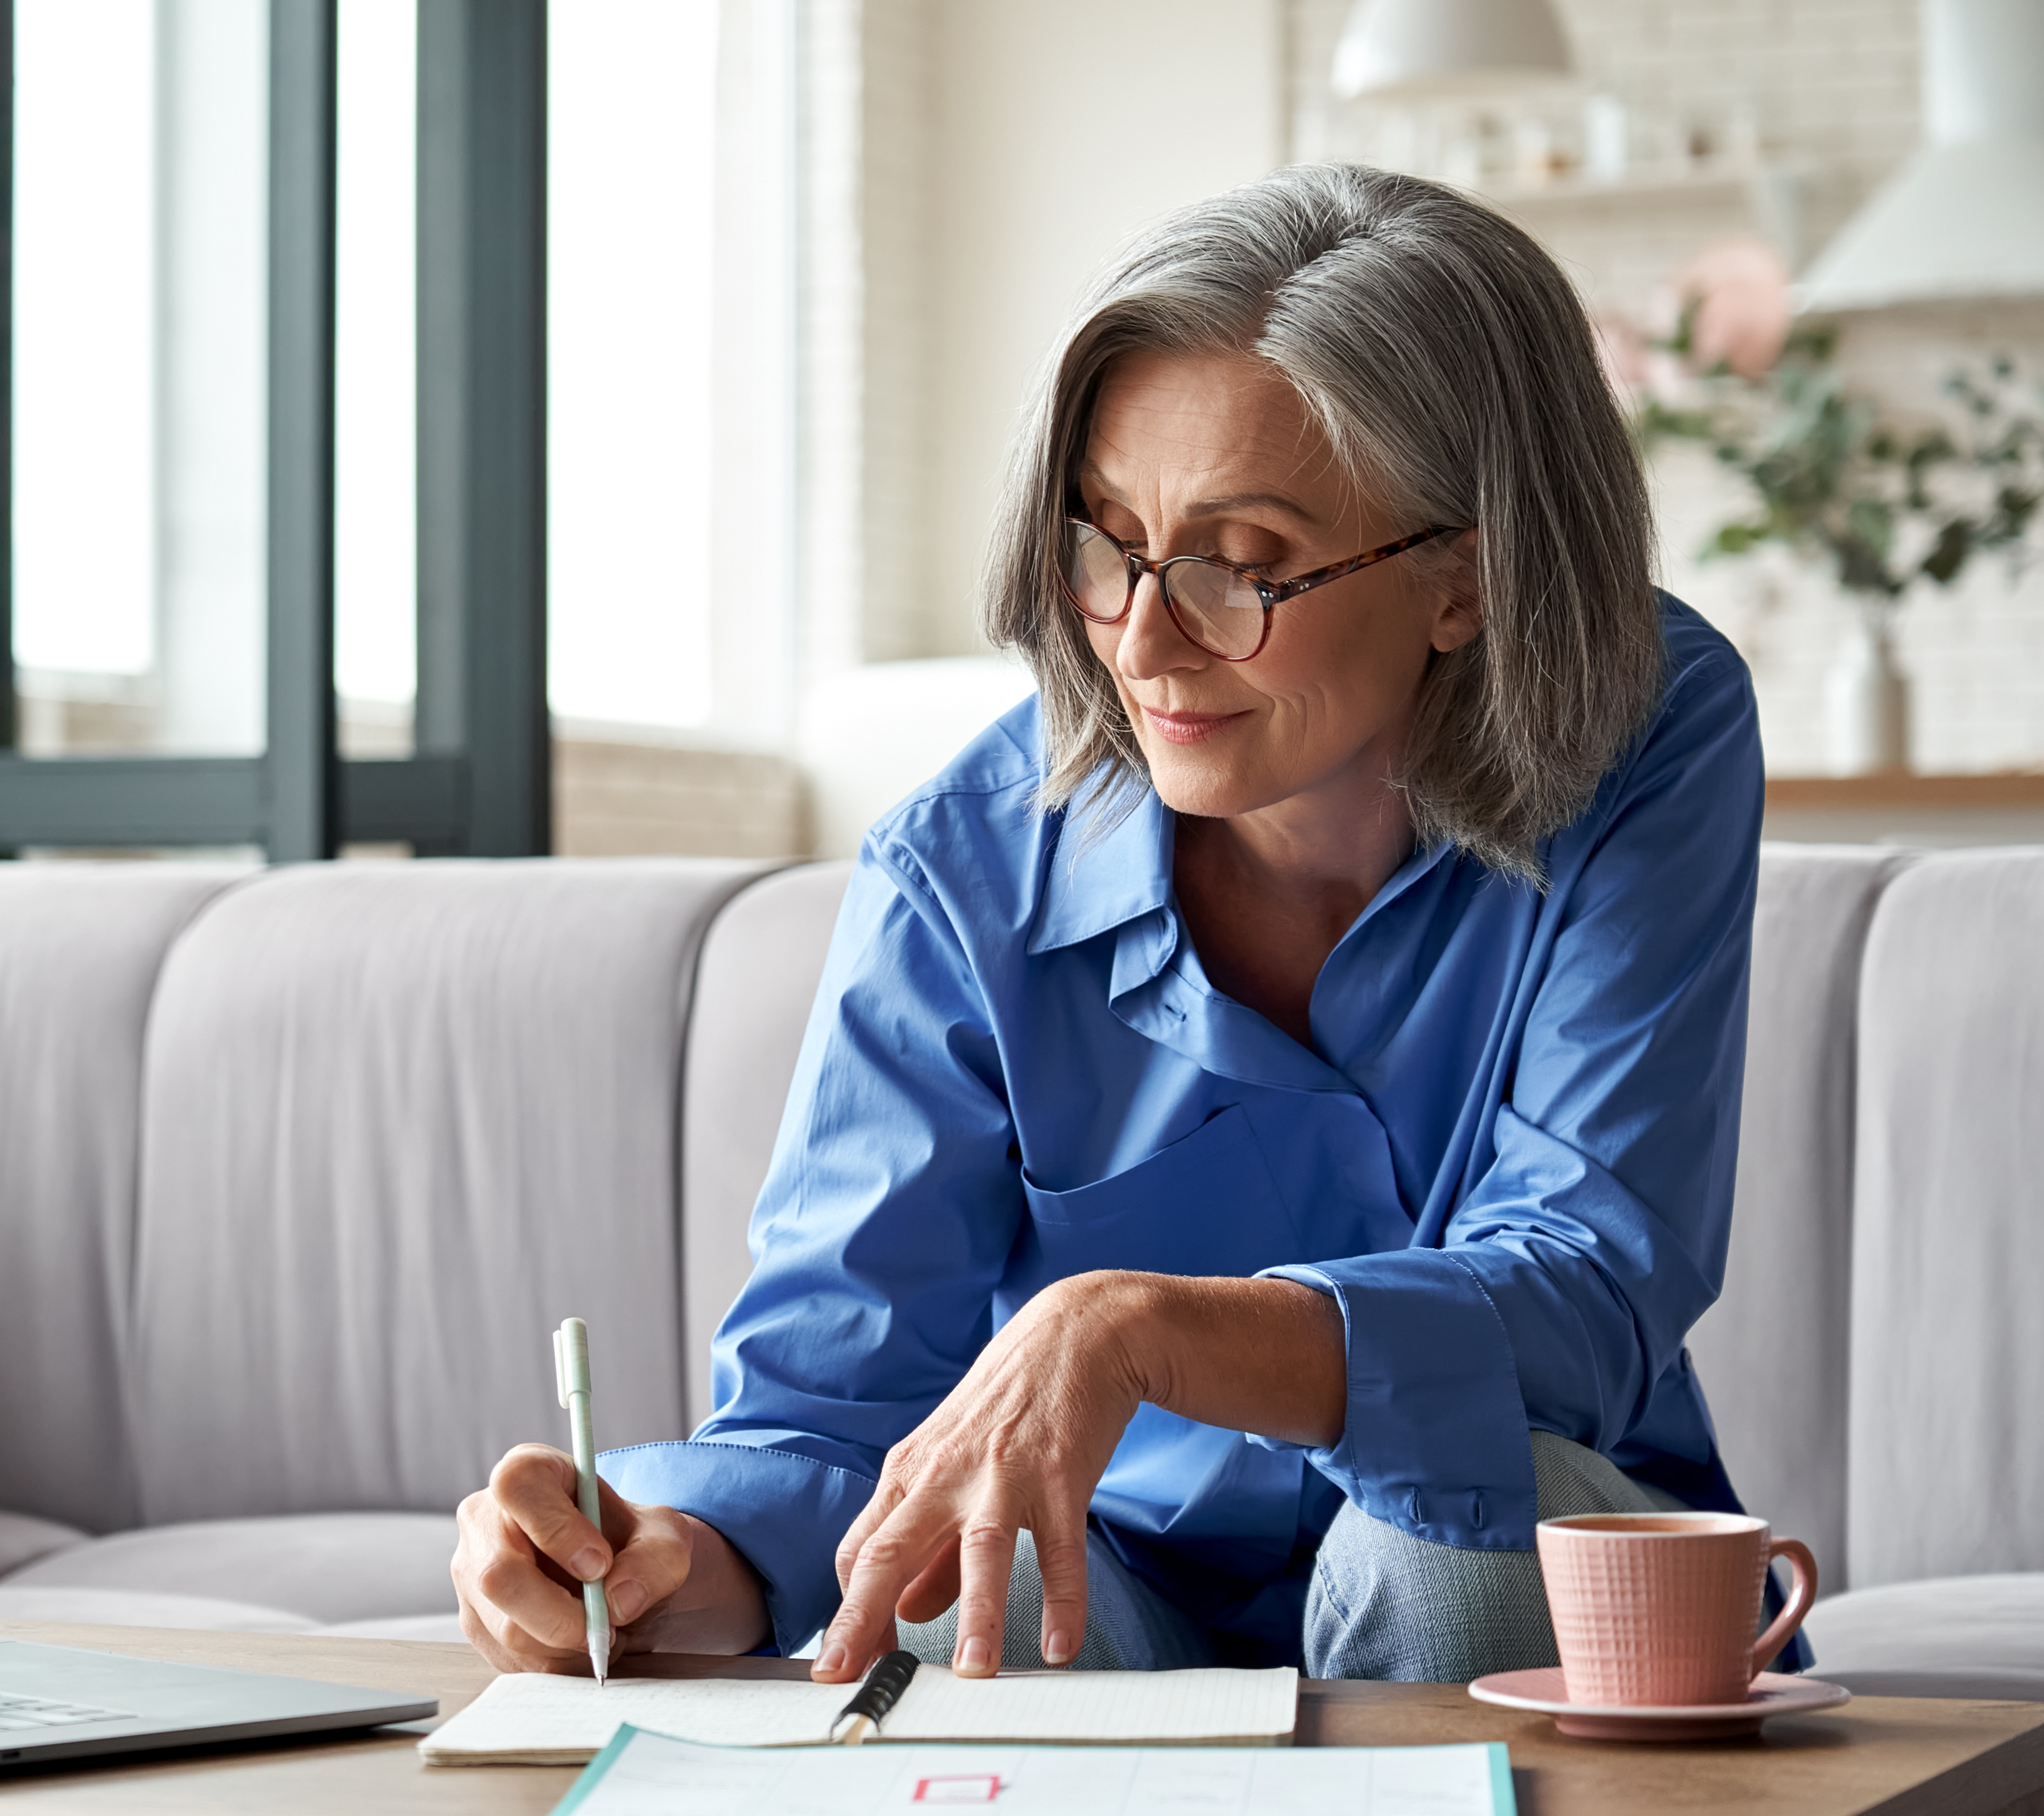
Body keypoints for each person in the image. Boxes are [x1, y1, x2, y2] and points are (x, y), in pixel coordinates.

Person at [452, 163, 1781, 1685]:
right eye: (1104, 544)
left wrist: (1142, 1328)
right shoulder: (961, 867)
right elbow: (830, 1412)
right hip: (1118, 1583)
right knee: (973, 1584)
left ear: (1464, 584)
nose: (1142, 641)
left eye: (1241, 565)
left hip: (1500, 1560)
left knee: (1453, 1523)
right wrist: (661, 1565)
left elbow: (1589, 1282)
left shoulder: (1647, 727)